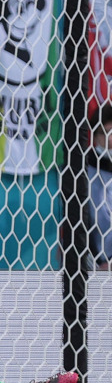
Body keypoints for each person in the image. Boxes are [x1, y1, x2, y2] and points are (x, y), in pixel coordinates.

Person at [88, 104, 112, 270]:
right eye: (103, 133)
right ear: (95, 137)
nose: (109, 139)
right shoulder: (83, 169)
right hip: (90, 258)